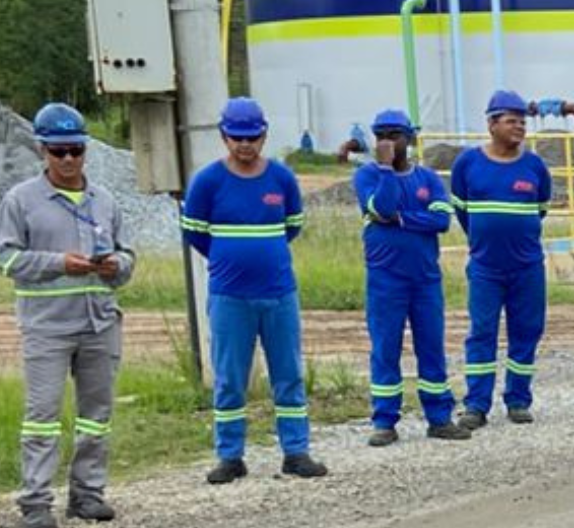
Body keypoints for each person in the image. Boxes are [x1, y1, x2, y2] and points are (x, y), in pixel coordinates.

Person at [0, 103, 133, 528]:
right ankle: (36, 501)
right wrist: (57, 263)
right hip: (48, 327)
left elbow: (129, 256)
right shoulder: (21, 200)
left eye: (75, 150)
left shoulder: (104, 200)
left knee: (95, 415)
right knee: (42, 416)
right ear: (42, 151)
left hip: (99, 322)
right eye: (58, 152)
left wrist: (117, 267)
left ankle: (87, 492)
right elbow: (2, 258)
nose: (68, 160)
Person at [181, 97, 325, 483]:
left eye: (252, 138)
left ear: (264, 135)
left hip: (278, 293)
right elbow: (195, 232)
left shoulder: (281, 179)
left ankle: (296, 451)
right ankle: (230, 455)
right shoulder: (207, 181)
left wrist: (261, 253)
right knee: (229, 377)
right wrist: (231, 257)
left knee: (288, 373)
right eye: (236, 138)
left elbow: (292, 226)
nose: (245, 145)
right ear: (223, 137)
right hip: (230, 296)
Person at [352, 108, 466, 447]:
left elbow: (441, 221)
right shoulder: (367, 177)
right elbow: (382, 208)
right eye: (381, 135)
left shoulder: (429, 179)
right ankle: (385, 420)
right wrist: (386, 171)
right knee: (385, 348)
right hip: (385, 279)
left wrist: (402, 219)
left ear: (410, 139)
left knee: (431, 346)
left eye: (394, 135)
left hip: (425, 279)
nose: (387, 142)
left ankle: (439, 417)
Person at [451, 90, 555, 427]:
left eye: (523, 122)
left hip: (526, 267)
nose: (520, 128)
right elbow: (462, 212)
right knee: (481, 332)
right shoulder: (468, 164)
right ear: (492, 124)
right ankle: (477, 404)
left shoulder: (535, 166)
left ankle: (518, 399)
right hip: (485, 268)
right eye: (512, 121)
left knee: (526, 331)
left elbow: (539, 211)